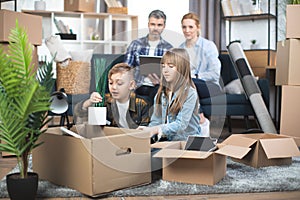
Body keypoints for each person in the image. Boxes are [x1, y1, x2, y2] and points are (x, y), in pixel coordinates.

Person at [138, 48, 201, 141]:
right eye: (163, 66)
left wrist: (156, 129)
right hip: (168, 140)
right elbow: (156, 120)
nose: (165, 70)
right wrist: (147, 131)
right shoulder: (161, 93)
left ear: (182, 69)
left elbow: (181, 125)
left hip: (187, 141)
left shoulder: (190, 93)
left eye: (171, 66)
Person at [179, 12, 223, 137]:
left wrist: (195, 77)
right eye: (184, 27)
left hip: (210, 86)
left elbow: (215, 73)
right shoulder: (180, 49)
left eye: (190, 27)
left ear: (198, 28)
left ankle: (201, 118)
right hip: (188, 85)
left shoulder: (208, 46)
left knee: (188, 82)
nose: (187, 30)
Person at [74, 63, 151, 129]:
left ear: (131, 85)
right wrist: (90, 101)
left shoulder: (142, 104)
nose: (114, 87)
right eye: (111, 83)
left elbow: (145, 132)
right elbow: (79, 112)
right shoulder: (105, 100)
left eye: (119, 83)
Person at [124, 9, 173, 103]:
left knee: (158, 93)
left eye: (159, 25)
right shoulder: (135, 44)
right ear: (148, 25)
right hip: (139, 85)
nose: (155, 28)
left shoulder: (169, 48)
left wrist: (162, 80)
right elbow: (126, 68)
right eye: (153, 24)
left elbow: (172, 73)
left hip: (158, 86)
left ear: (164, 27)